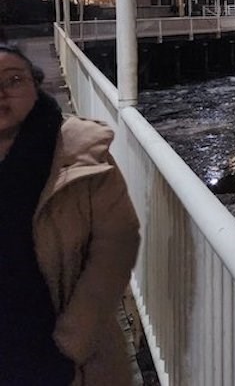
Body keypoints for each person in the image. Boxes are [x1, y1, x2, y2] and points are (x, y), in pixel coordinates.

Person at [0, 43, 140, 385]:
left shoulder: (80, 153)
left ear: (36, 85)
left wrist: (70, 345)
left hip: (66, 353)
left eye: (14, 80)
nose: (1, 94)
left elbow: (115, 247)